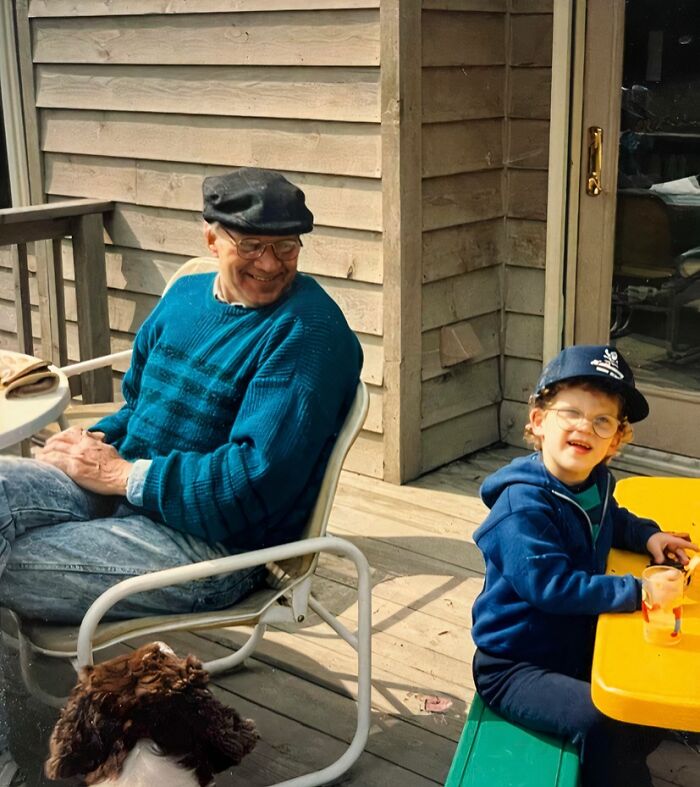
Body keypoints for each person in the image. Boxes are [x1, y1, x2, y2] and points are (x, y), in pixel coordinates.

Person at [0, 168, 363, 786]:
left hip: (213, 545)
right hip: (127, 492)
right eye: (251, 247)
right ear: (211, 239)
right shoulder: (187, 296)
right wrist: (95, 441)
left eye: (287, 248)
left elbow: (252, 483)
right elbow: (140, 403)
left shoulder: (309, 335)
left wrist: (122, 475)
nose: (271, 265)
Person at [470, 344, 697, 787]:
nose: (584, 428)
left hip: (576, 644)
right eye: (570, 413)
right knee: (607, 723)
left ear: (615, 440)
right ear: (538, 421)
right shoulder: (521, 508)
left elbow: (612, 516)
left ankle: (651, 729)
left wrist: (649, 535)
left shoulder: (592, 481)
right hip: (517, 665)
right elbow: (551, 587)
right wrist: (638, 591)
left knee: (654, 675)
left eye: (601, 421)